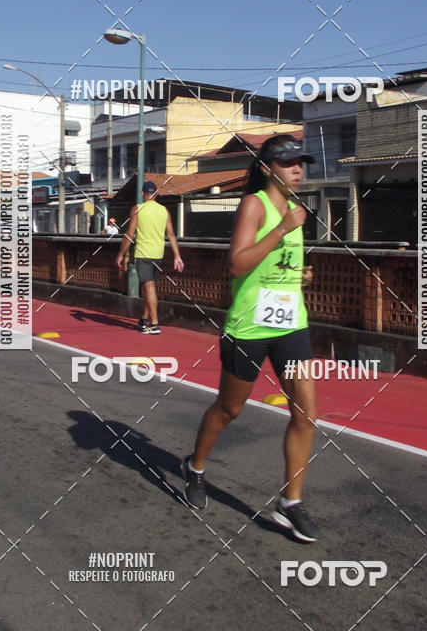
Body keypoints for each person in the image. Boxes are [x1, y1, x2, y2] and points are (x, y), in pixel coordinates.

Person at [181, 134, 319, 542]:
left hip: (291, 324)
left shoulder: (296, 209)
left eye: (301, 163)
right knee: (230, 408)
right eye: (290, 163)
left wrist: (300, 274)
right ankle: (195, 466)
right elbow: (239, 264)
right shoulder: (254, 205)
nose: (298, 170)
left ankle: (290, 504)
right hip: (250, 327)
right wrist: (281, 231)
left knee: (306, 414)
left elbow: (279, 264)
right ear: (267, 168)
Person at [115, 181, 184, 334]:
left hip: (143, 253)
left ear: (142, 193)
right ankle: (144, 318)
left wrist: (120, 254)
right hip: (158, 254)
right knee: (149, 287)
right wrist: (177, 256)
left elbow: (129, 234)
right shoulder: (164, 210)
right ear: (156, 193)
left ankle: (154, 324)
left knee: (149, 287)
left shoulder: (138, 209)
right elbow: (171, 234)